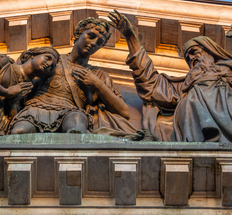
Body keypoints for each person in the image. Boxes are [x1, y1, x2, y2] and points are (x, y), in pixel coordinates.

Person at [108, 10, 232, 143]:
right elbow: (150, 82)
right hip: (193, 120)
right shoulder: (184, 86)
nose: (192, 57)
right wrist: (131, 37)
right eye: (188, 56)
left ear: (211, 52)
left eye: (196, 51)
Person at [9, 17, 138, 136]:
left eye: (99, 42)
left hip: (70, 112)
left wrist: (98, 84)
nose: (94, 43)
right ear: (78, 34)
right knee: (18, 133)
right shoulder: (52, 59)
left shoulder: (98, 75)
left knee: (76, 131)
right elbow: (20, 76)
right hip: (35, 109)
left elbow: (124, 111)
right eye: (91, 36)